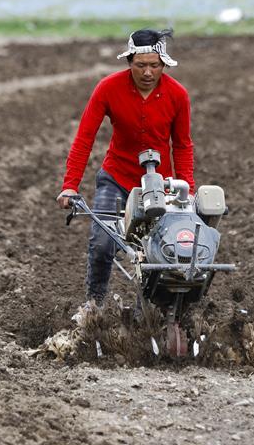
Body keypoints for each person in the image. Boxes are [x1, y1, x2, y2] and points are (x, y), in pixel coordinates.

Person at [57, 28, 195, 308]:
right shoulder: (108, 88)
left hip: (160, 187)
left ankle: (153, 311)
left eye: (154, 66)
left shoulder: (177, 95)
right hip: (117, 178)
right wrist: (70, 185)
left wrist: (186, 190)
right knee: (102, 245)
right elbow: (85, 137)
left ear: (164, 65)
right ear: (129, 62)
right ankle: (94, 306)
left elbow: (182, 146)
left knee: (164, 251)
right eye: (140, 65)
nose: (147, 72)